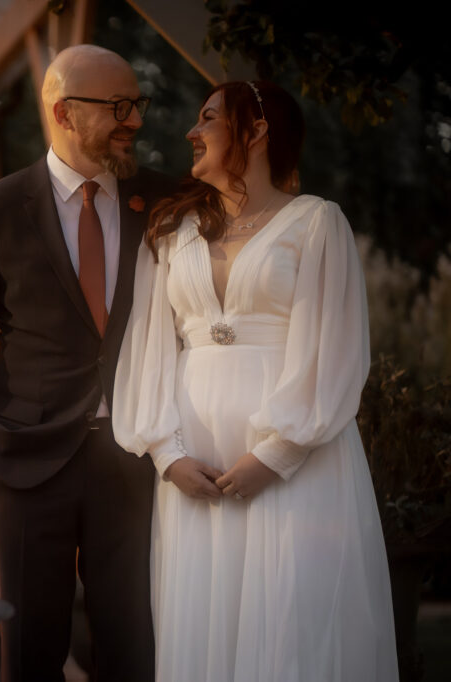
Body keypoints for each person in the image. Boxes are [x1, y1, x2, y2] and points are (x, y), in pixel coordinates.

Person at [112, 80, 398, 681]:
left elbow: (336, 348)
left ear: (258, 129)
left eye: (209, 118)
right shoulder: (170, 232)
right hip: (194, 469)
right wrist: (166, 454)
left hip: (296, 467)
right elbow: (146, 348)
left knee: (291, 623)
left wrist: (276, 452)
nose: (192, 132)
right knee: (202, 625)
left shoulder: (317, 224)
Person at [0, 44, 175, 681]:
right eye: (119, 105)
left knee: (136, 647)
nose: (135, 120)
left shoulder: (165, 200)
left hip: (133, 457)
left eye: (138, 103)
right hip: (20, 462)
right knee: (30, 654)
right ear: (65, 112)